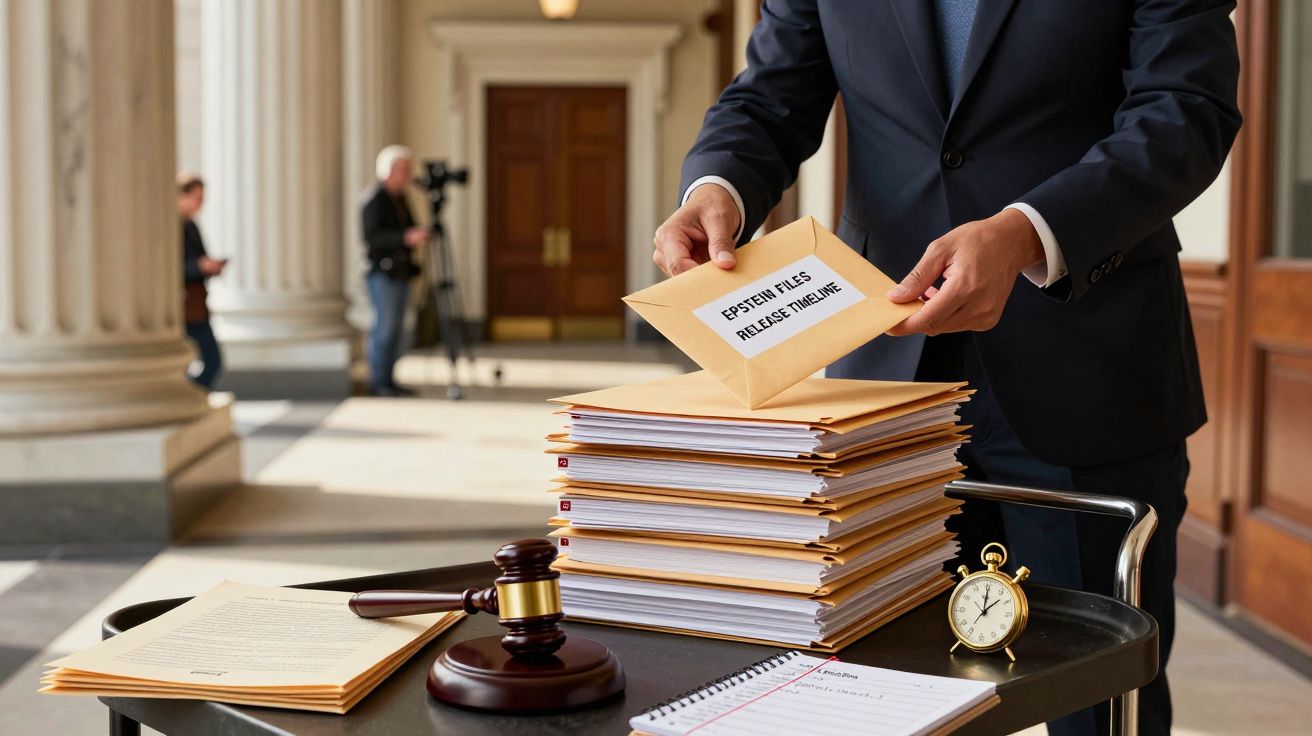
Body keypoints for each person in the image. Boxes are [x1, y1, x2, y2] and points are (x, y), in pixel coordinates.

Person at [652, 3, 1241, 735]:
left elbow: (1185, 111)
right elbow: (770, 97)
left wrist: (1026, 232)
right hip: (885, 385)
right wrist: (717, 187)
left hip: (1090, 370)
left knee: (1101, 707)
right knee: (884, 696)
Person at [361, 145, 427, 397]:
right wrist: (404, 238)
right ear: (388, 171)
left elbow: (409, 226)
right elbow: (371, 237)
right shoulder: (374, 199)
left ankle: (389, 378)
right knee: (385, 328)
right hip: (382, 274)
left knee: (398, 329)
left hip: (402, 272)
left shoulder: (400, 198)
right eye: (403, 170)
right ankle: (379, 382)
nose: (408, 175)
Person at [178, 173, 227, 390]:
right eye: (198, 198)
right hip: (182, 308)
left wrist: (210, 267)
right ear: (182, 196)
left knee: (213, 362)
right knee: (194, 363)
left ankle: (190, 395)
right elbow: (171, 269)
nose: (201, 204)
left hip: (197, 306)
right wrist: (199, 267)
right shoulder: (172, 228)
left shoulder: (191, 226)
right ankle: (187, 395)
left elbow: (199, 259)